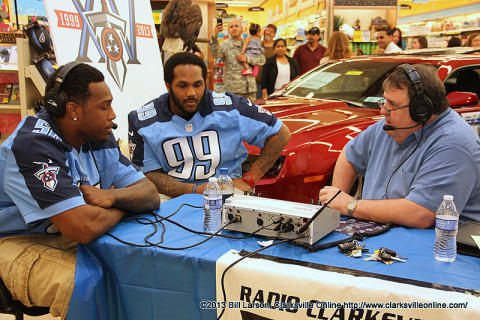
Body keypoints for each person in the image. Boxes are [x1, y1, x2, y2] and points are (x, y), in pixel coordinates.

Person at [0, 62, 160, 319]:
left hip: (66, 234)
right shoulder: (33, 145)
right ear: (73, 110)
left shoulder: (99, 137)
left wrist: (110, 197)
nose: (113, 115)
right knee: (88, 283)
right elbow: (82, 227)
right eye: (103, 106)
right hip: (15, 240)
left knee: (142, 263)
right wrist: (122, 205)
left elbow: (149, 194)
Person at [319, 64, 480, 228]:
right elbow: (349, 155)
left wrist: (349, 205)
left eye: (392, 104)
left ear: (421, 111)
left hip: (431, 246)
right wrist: (335, 203)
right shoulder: (391, 125)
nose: (383, 111)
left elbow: (420, 214)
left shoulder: (454, 145)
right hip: (376, 236)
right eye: (384, 101)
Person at [128, 52, 291, 201]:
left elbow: (281, 134)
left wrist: (250, 178)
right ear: (168, 85)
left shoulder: (231, 107)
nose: (191, 92)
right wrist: (195, 190)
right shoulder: (143, 120)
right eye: (183, 85)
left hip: (227, 191)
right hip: (171, 196)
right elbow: (149, 174)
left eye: (198, 85)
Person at [210, 18, 265, 101]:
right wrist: (214, 37)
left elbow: (261, 60)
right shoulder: (225, 45)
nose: (234, 28)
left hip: (250, 90)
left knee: (250, 113)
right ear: (228, 30)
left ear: (242, 29)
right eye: (231, 27)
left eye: (236, 26)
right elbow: (216, 54)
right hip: (234, 91)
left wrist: (247, 59)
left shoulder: (249, 44)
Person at [256, 24, 277, 99]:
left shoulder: (276, 47)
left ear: (274, 35)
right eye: (267, 30)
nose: (268, 32)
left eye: (271, 32)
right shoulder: (258, 45)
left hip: (271, 83)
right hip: (257, 81)